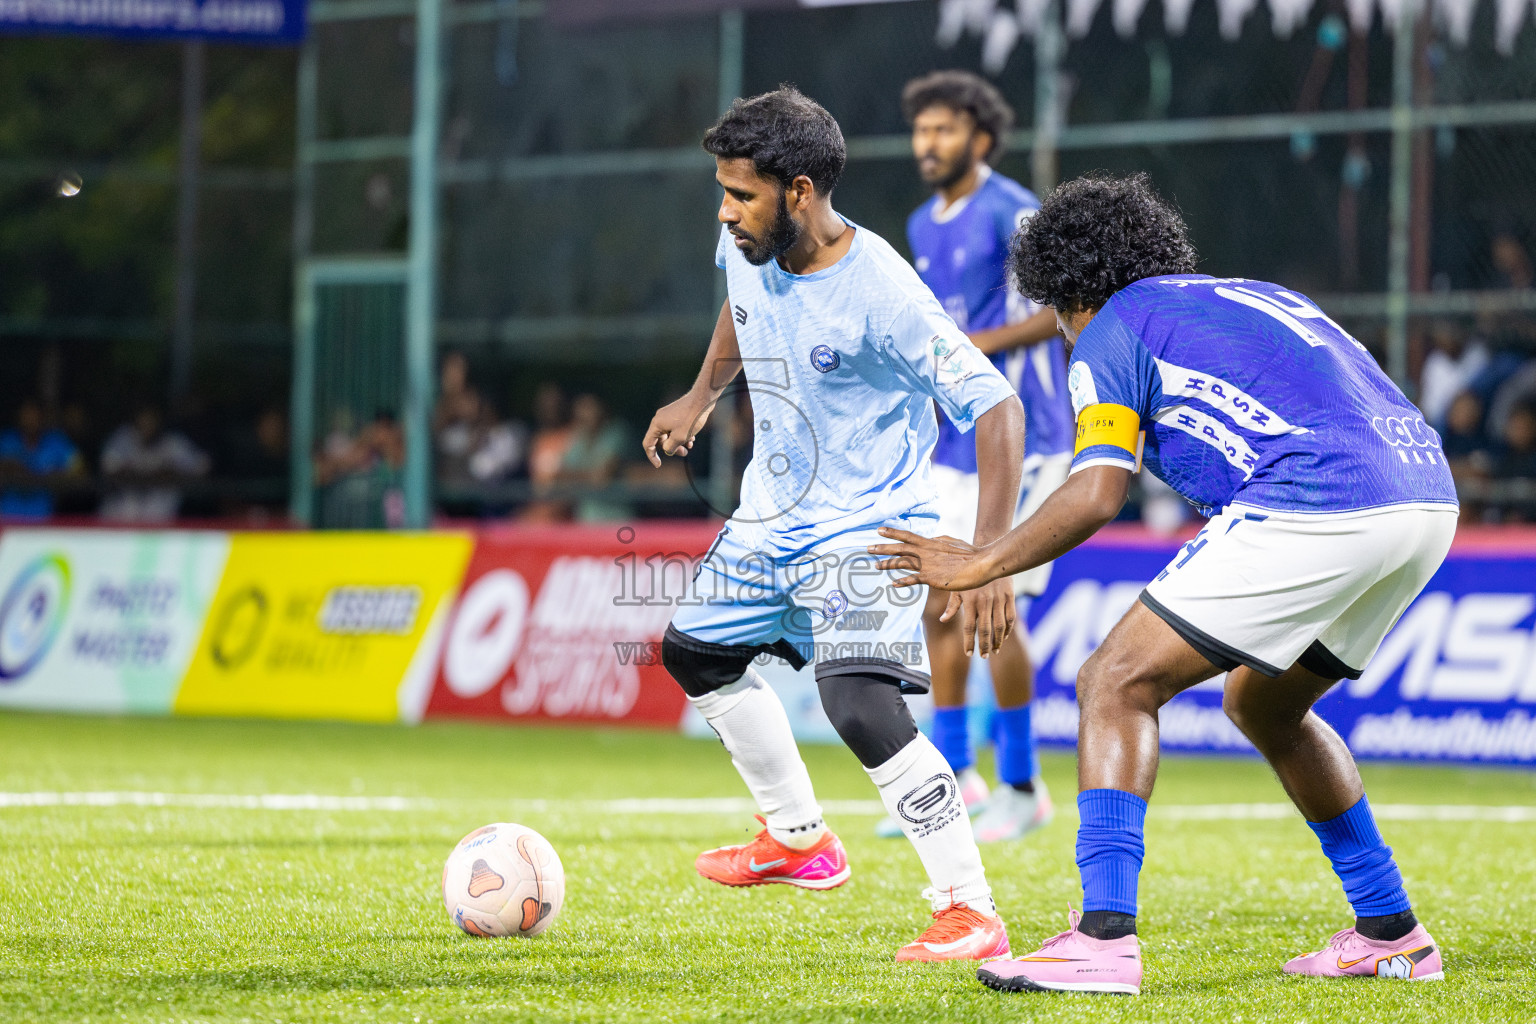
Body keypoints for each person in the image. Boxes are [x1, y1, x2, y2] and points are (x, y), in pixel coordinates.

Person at [870, 173, 1457, 993]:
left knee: (1113, 682)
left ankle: (1103, 940)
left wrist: (980, 560)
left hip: (1318, 497)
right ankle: (1392, 933)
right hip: (1426, 497)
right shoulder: (1250, 295)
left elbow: (1097, 489)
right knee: (1266, 705)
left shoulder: (1110, 328)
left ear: (1064, 293)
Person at [643, 87, 1025, 963]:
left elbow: (996, 407)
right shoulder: (748, 238)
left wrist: (992, 557)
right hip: (769, 516)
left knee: (858, 703)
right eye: (723, 190)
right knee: (695, 654)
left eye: (741, 195)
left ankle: (969, 909)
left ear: (801, 191)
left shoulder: (883, 291)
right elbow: (740, 304)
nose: (725, 210)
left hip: (867, 524)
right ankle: (798, 839)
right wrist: (702, 395)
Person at [884, 70, 1073, 844]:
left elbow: (1062, 309)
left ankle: (1024, 786)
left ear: (981, 138)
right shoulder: (920, 223)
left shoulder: (1013, 210)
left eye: (945, 129)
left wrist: (969, 347)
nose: (929, 143)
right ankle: (956, 777)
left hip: (1025, 435)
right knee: (940, 600)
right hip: (954, 443)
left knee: (994, 605)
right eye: (921, 130)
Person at [99, 405, 210, 523]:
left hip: (162, 504)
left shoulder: (172, 442)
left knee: (160, 507)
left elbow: (202, 466)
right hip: (125, 502)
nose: (147, 426)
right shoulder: (124, 437)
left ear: (159, 423)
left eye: (151, 422)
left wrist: (173, 473)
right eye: (143, 421)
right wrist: (147, 475)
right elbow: (108, 467)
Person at [0, 399, 84, 519]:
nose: (30, 420)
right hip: (7, 516)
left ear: (42, 418)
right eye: (26, 415)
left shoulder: (57, 441)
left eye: (34, 416)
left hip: (44, 516)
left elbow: (80, 471)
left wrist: (56, 475)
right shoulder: (7, 441)